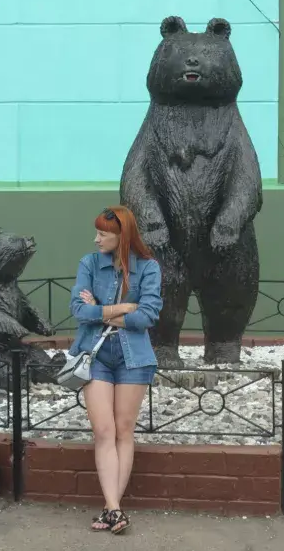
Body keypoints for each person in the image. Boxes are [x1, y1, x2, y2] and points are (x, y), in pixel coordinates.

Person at [68, 205, 163, 535]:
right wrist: (122, 308)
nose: (96, 239)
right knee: (103, 431)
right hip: (94, 356)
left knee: (124, 431)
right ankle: (114, 508)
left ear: (122, 237)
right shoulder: (89, 263)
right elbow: (79, 310)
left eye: (102, 234)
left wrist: (101, 310)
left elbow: (147, 316)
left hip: (134, 357)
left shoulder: (148, 268)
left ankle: (112, 509)